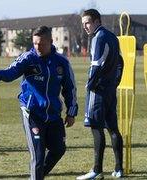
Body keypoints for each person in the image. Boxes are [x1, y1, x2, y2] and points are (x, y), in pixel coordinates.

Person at [0, 26, 78, 180]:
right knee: (38, 156)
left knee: (59, 149)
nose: (37, 47)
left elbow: (70, 88)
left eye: (41, 44)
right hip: (32, 113)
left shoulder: (61, 62)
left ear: (51, 42)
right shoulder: (28, 58)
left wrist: (71, 112)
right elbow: (11, 72)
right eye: (34, 43)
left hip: (53, 115)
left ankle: (36, 176)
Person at [76, 9, 124, 180]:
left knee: (96, 128)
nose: (85, 27)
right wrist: (115, 82)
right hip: (110, 90)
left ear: (97, 21)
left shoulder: (98, 37)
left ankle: (97, 170)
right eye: (83, 24)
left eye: (87, 23)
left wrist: (90, 86)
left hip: (98, 91)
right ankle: (119, 169)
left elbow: (96, 66)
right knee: (113, 129)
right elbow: (120, 62)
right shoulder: (112, 37)